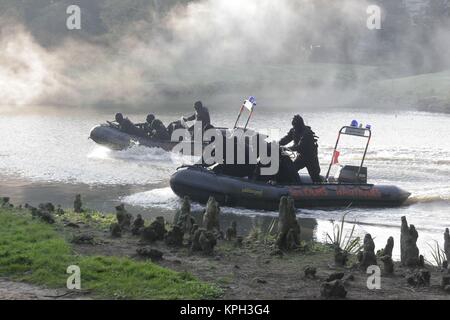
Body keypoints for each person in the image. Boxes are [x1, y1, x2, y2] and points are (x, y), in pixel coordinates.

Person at [279, 115, 322, 183]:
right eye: (293, 126)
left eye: (295, 126)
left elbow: (299, 147)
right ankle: (294, 184)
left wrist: (286, 149)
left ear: (300, 125)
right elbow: (286, 139)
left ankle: (322, 187)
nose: (294, 128)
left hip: (311, 158)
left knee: (315, 177)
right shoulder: (293, 130)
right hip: (301, 157)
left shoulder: (307, 133)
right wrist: (276, 144)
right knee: (291, 171)